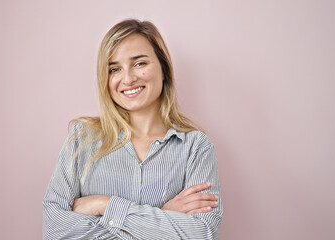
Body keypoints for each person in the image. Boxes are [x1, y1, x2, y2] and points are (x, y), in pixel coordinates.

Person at [42, 19, 223, 240]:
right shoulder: (82, 138)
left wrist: (105, 204)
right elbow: (54, 231)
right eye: (114, 69)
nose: (128, 78)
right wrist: (164, 217)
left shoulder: (196, 147)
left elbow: (201, 234)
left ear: (164, 69)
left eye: (140, 64)